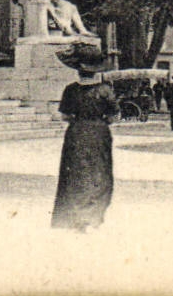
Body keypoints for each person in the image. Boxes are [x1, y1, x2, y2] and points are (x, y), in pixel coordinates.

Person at [50, 43, 118, 232]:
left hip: (76, 133)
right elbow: (113, 116)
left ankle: (73, 216)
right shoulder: (105, 90)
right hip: (99, 132)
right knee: (99, 172)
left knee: (74, 173)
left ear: (78, 70)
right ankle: (92, 216)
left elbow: (65, 115)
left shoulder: (70, 90)